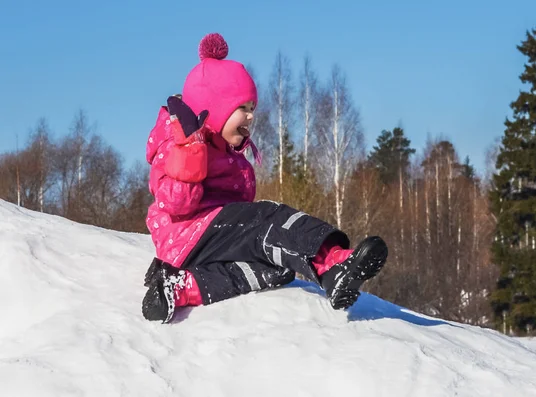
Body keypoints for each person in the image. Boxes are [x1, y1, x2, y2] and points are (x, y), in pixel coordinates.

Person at [142, 33, 388, 323]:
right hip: (187, 234)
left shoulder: (229, 153)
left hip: (202, 245)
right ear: (212, 108)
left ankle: (178, 287)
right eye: (241, 108)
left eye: (252, 109)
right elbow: (176, 203)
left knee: (276, 269)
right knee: (266, 220)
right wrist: (189, 154)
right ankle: (331, 265)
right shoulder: (179, 143)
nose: (249, 117)